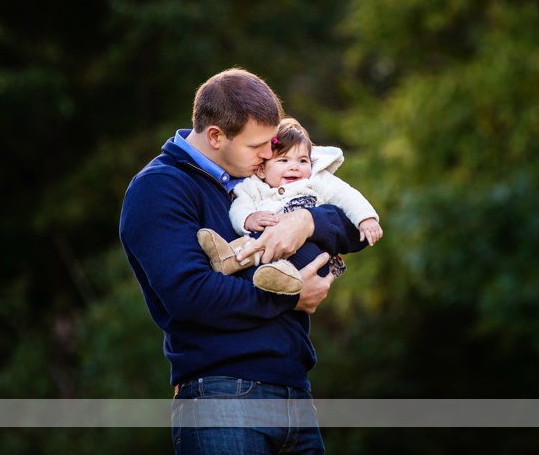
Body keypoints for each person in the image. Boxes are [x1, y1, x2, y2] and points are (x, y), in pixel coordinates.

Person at [119, 67, 366, 454]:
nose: (270, 156)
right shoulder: (160, 187)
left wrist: (305, 221)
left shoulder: (255, 178)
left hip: (295, 394)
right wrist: (290, 297)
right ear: (216, 136)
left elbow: (353, 227)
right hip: (223, 397)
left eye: (271, 144)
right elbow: (191, 296)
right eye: (257, 148)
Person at [198, 117, 383, 295]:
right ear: (262, 169)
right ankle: (228, 257)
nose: (294, 167)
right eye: (283, 160)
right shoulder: (254, 187)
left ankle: (276, 275)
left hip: (309, 255)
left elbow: (346, 195)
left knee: (304, 254)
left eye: (303, 161)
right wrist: (248, 219)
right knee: (254, 242)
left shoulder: (317, 180)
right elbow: (239, 206)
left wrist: (366, 218)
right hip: (265, 254)